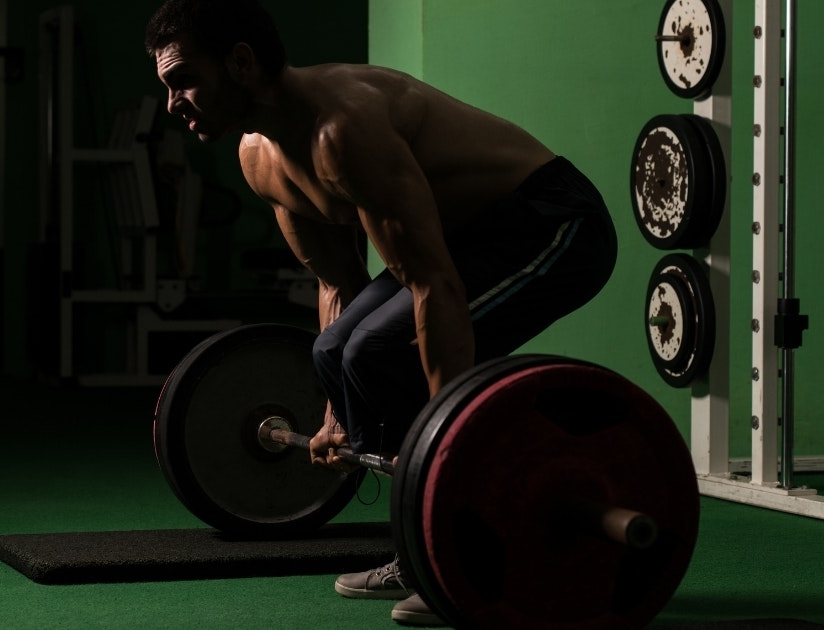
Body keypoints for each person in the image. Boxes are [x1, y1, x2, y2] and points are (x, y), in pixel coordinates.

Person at [146, 1, 617, 625]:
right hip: (465, 239)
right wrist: (337, 411)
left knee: (383, 351)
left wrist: (444, 441)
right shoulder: (259, 159)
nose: (174, 102)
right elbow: (338, 283)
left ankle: (457, 557)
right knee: (332, 350)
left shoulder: (343, 127)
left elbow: (433, 286)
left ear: (240, 62)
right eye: (166, 87)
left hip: (552, 224)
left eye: (183, 80)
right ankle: (419, 546)